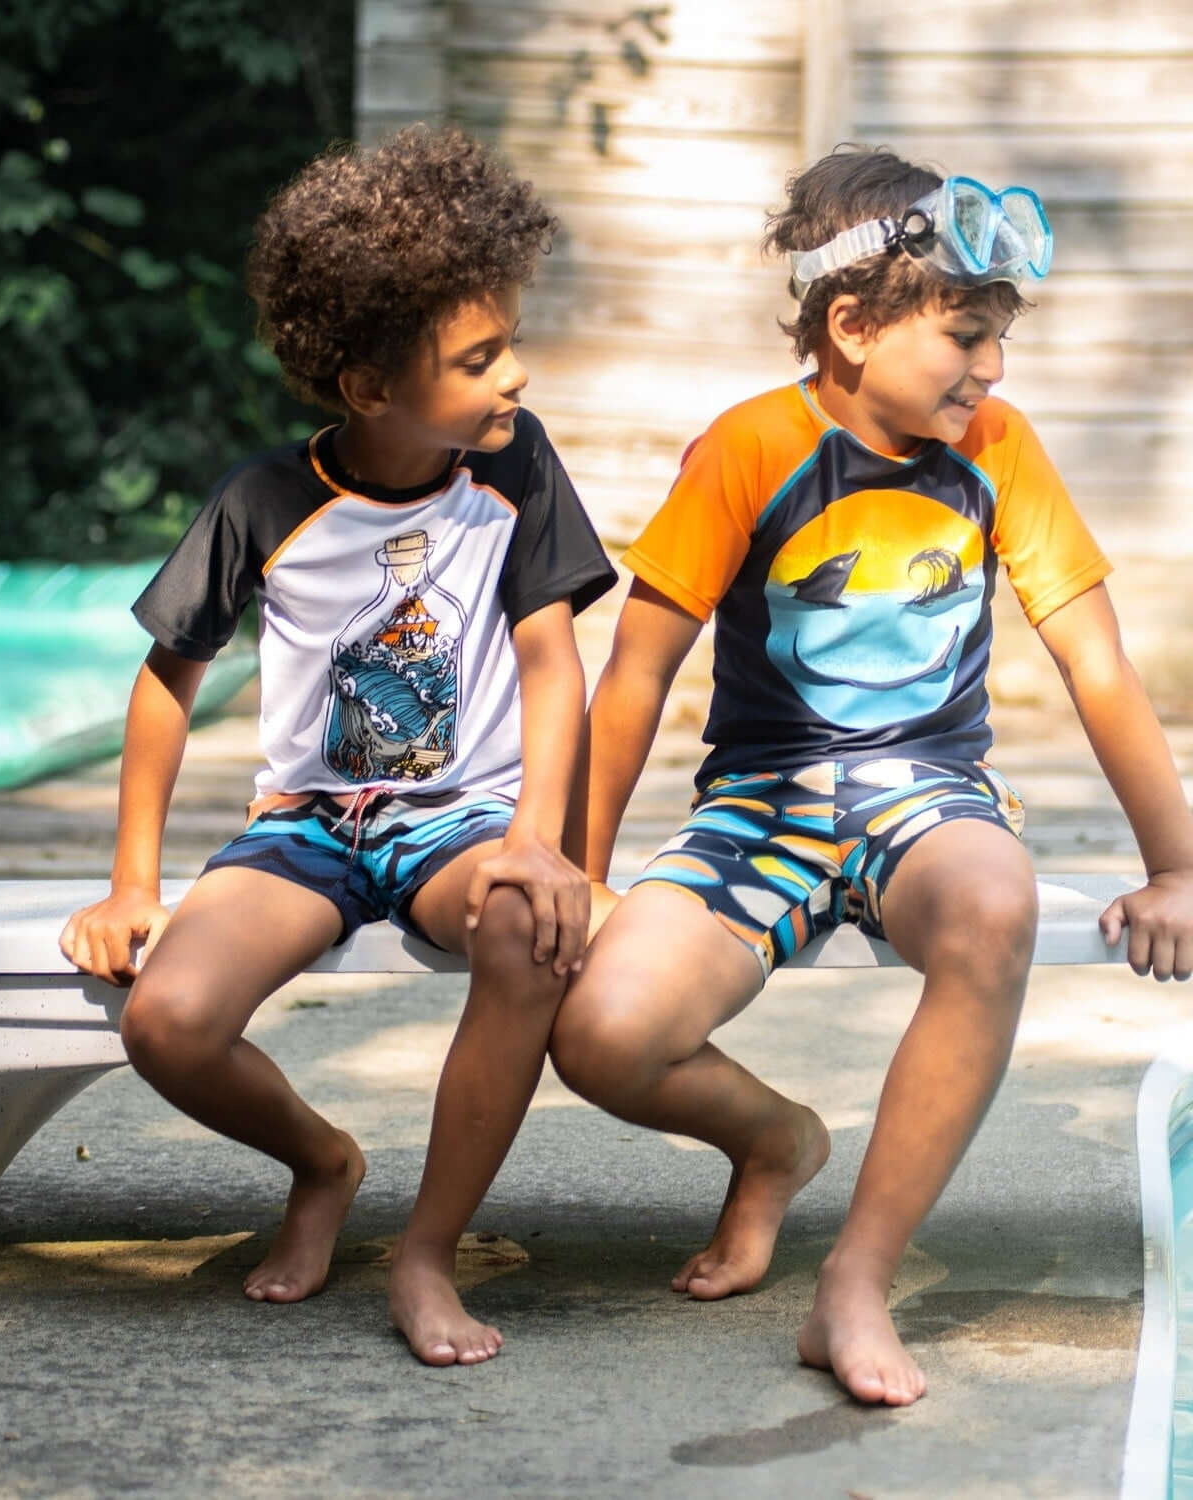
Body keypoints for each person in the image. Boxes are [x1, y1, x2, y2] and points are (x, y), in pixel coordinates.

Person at [552, 145, 1193, 1406]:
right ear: (851, 325)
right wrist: (575, 870)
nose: (992, 370)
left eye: (999, 339)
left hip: (928, 799)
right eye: (964, 336)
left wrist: (1177, 862)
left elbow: (1099, 666)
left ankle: (857, 1275)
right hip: (764, 804)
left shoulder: (999, 449)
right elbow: (630, 678)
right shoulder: (748, 449)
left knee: (993, 905)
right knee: (603, 1034)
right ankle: (776, 1141)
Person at [60, 125, 616, 1367]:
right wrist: (134, 886)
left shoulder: (514, 467)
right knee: (168, 1020)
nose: (514, 376)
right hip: (306, 826)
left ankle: (425, 1252)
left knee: (529, 925)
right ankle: (323, 1162)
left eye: (509, 342)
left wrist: (538, 842)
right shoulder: (264, 502)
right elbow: (166, 682)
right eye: (480, 359)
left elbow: (551, 662)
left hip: (460, 823)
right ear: (371, 388)